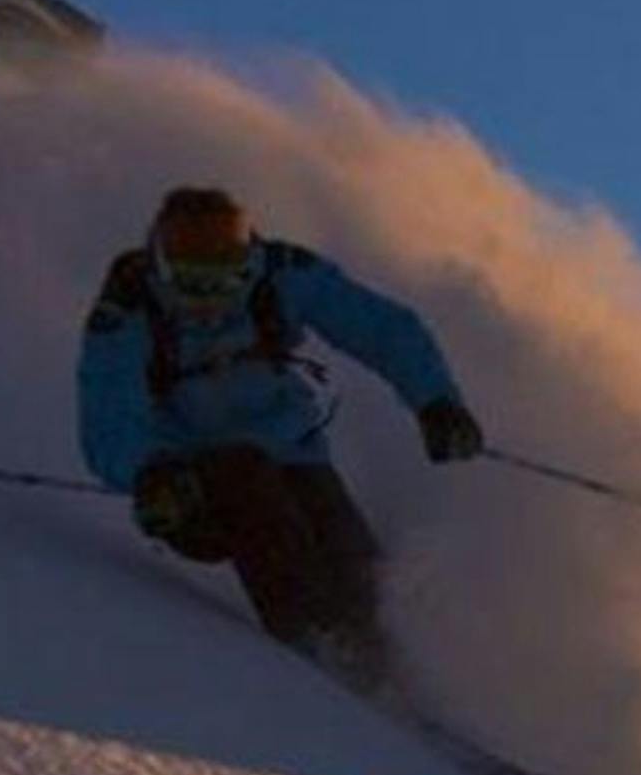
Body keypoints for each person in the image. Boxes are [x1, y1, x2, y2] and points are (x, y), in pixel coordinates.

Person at [76, 185, 486, 694]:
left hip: (293, 455)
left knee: (351, 559)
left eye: (220, 284)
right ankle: (315, 650)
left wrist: (436, 401)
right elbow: (107, 414)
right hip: (187, 488)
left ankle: (393, 682)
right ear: (160, 269)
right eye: (189, 286)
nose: (206, 303)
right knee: (248, 481)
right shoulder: (127, 310)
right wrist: (147, 471)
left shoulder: (284, 276)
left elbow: (382, 328)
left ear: (247, 267)